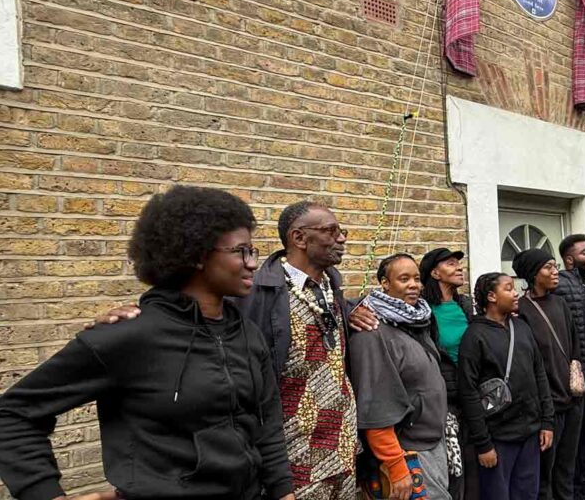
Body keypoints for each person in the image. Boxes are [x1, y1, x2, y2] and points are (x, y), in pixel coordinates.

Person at [0, 185, 295, 500]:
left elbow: (267, 428)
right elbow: (13, 414)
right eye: (241, 251)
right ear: (196, 255)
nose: (252, 263)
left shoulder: (247, 334)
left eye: (253, 251)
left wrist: (282, 491)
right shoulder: (129, 337)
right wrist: (45, 493)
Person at [90, 200, 378, 498]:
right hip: (291, 458)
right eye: (331, 231)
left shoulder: (331, 284)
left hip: (341, 448)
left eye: (340, 231)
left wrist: (350, 308)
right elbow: (194, 313)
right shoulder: (255, 291)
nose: (341, 238)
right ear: (299, 238)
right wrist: (133, 315)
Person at [348, 254, 451, 500]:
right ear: (385, 283)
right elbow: (375, 406)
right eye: (404, 279)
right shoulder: (371, 331)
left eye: (416, 278)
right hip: (407, 449)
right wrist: (396, 465)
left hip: (432, 440)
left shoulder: (417, 321)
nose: (414, 285)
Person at [458, 272, 556, 500]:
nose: (515, 293)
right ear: (491, 296)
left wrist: (547, 422)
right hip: (497, 440)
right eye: (509, 288)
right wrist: (483, 445)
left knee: (528, 494)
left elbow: (539, 374)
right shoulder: (474, 336)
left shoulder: (521, 327)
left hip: (530, 435)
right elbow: (469, 393)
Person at [513, 249, 583, 500]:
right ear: (533, 274)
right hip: (547, 407)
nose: (556, 272)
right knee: (544, 472)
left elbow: (574, 344)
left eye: (555, 266)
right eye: (548, 267)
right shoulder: (520, 310)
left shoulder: (561, 303)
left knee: (567, 467)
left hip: (572, 400)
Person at [420, 247, 477, 500]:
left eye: (459, 263)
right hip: (445, 400)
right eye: (451, 264)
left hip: (472, 394)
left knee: (475, 462)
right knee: (453, 468)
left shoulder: (465, 304)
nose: (458, 267)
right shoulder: (422, 309)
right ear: (435, 273)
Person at [553, 234, 585, 500]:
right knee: (571, 443)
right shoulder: (559, 284)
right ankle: (571, 493)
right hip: (574, 379)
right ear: (570, 259)